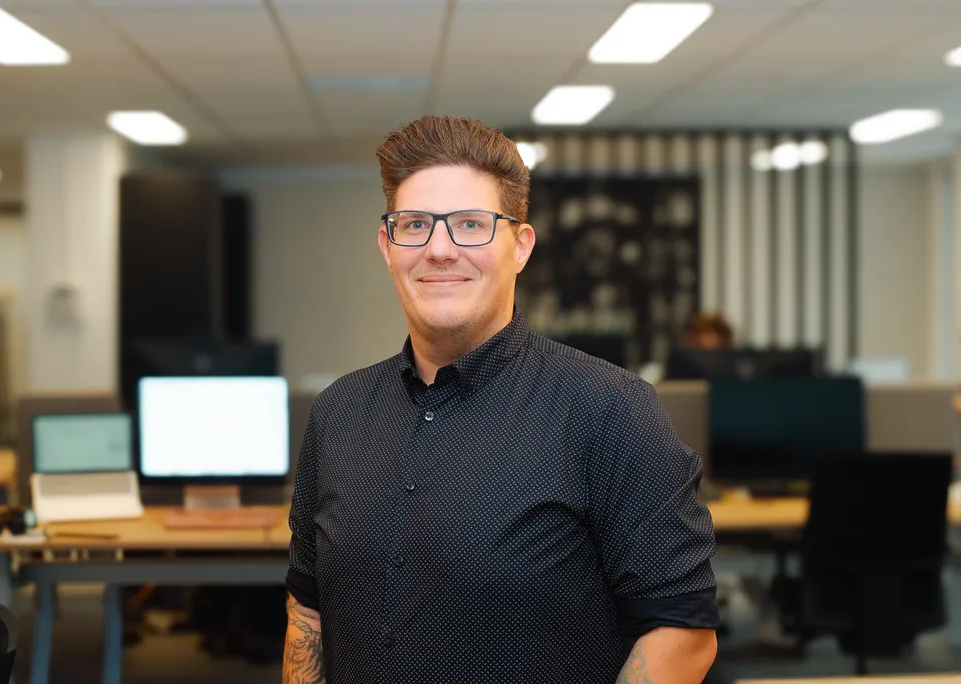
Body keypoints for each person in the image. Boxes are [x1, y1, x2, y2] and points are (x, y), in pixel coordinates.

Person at [283, 115, 719, 684]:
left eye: (471, 224)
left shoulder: (611, 408)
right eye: (415, 225)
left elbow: (683, 631)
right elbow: (307, 611)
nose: (439, 249)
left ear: (520, 246)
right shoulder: (339, 412)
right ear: (388, 247)